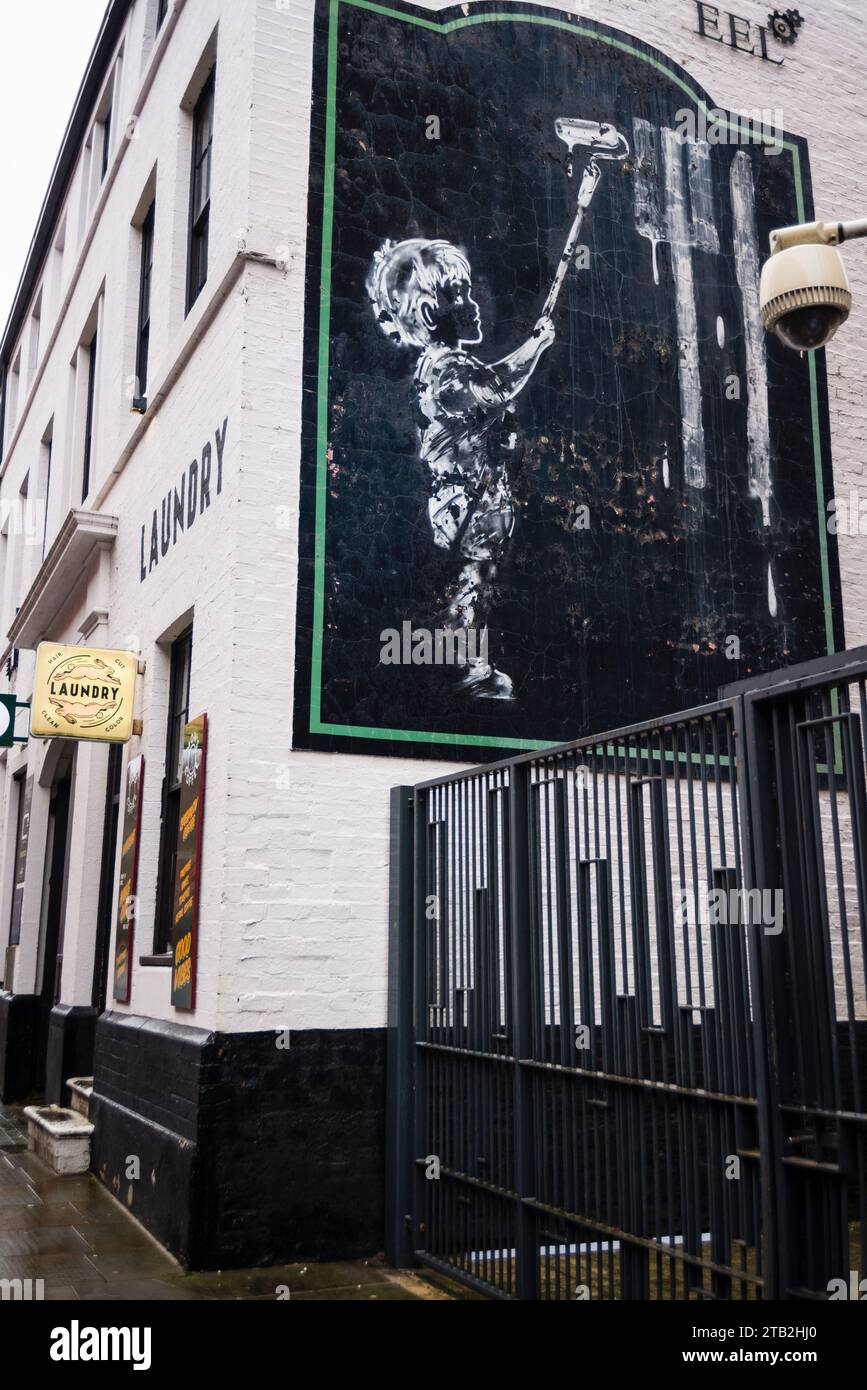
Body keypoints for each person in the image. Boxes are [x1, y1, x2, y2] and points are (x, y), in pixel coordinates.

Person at [367, 237, 555, 699]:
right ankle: (464, 666)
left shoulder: (450, 364)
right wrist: (535, 345)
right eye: (461, 295)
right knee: (470, 583)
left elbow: (484, 416)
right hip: (462, 504)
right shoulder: (443, 368)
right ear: (431, 313)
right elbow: (493, 387)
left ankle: (470, 662)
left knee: (477, 581)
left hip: (475, 500)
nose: (473, 304)